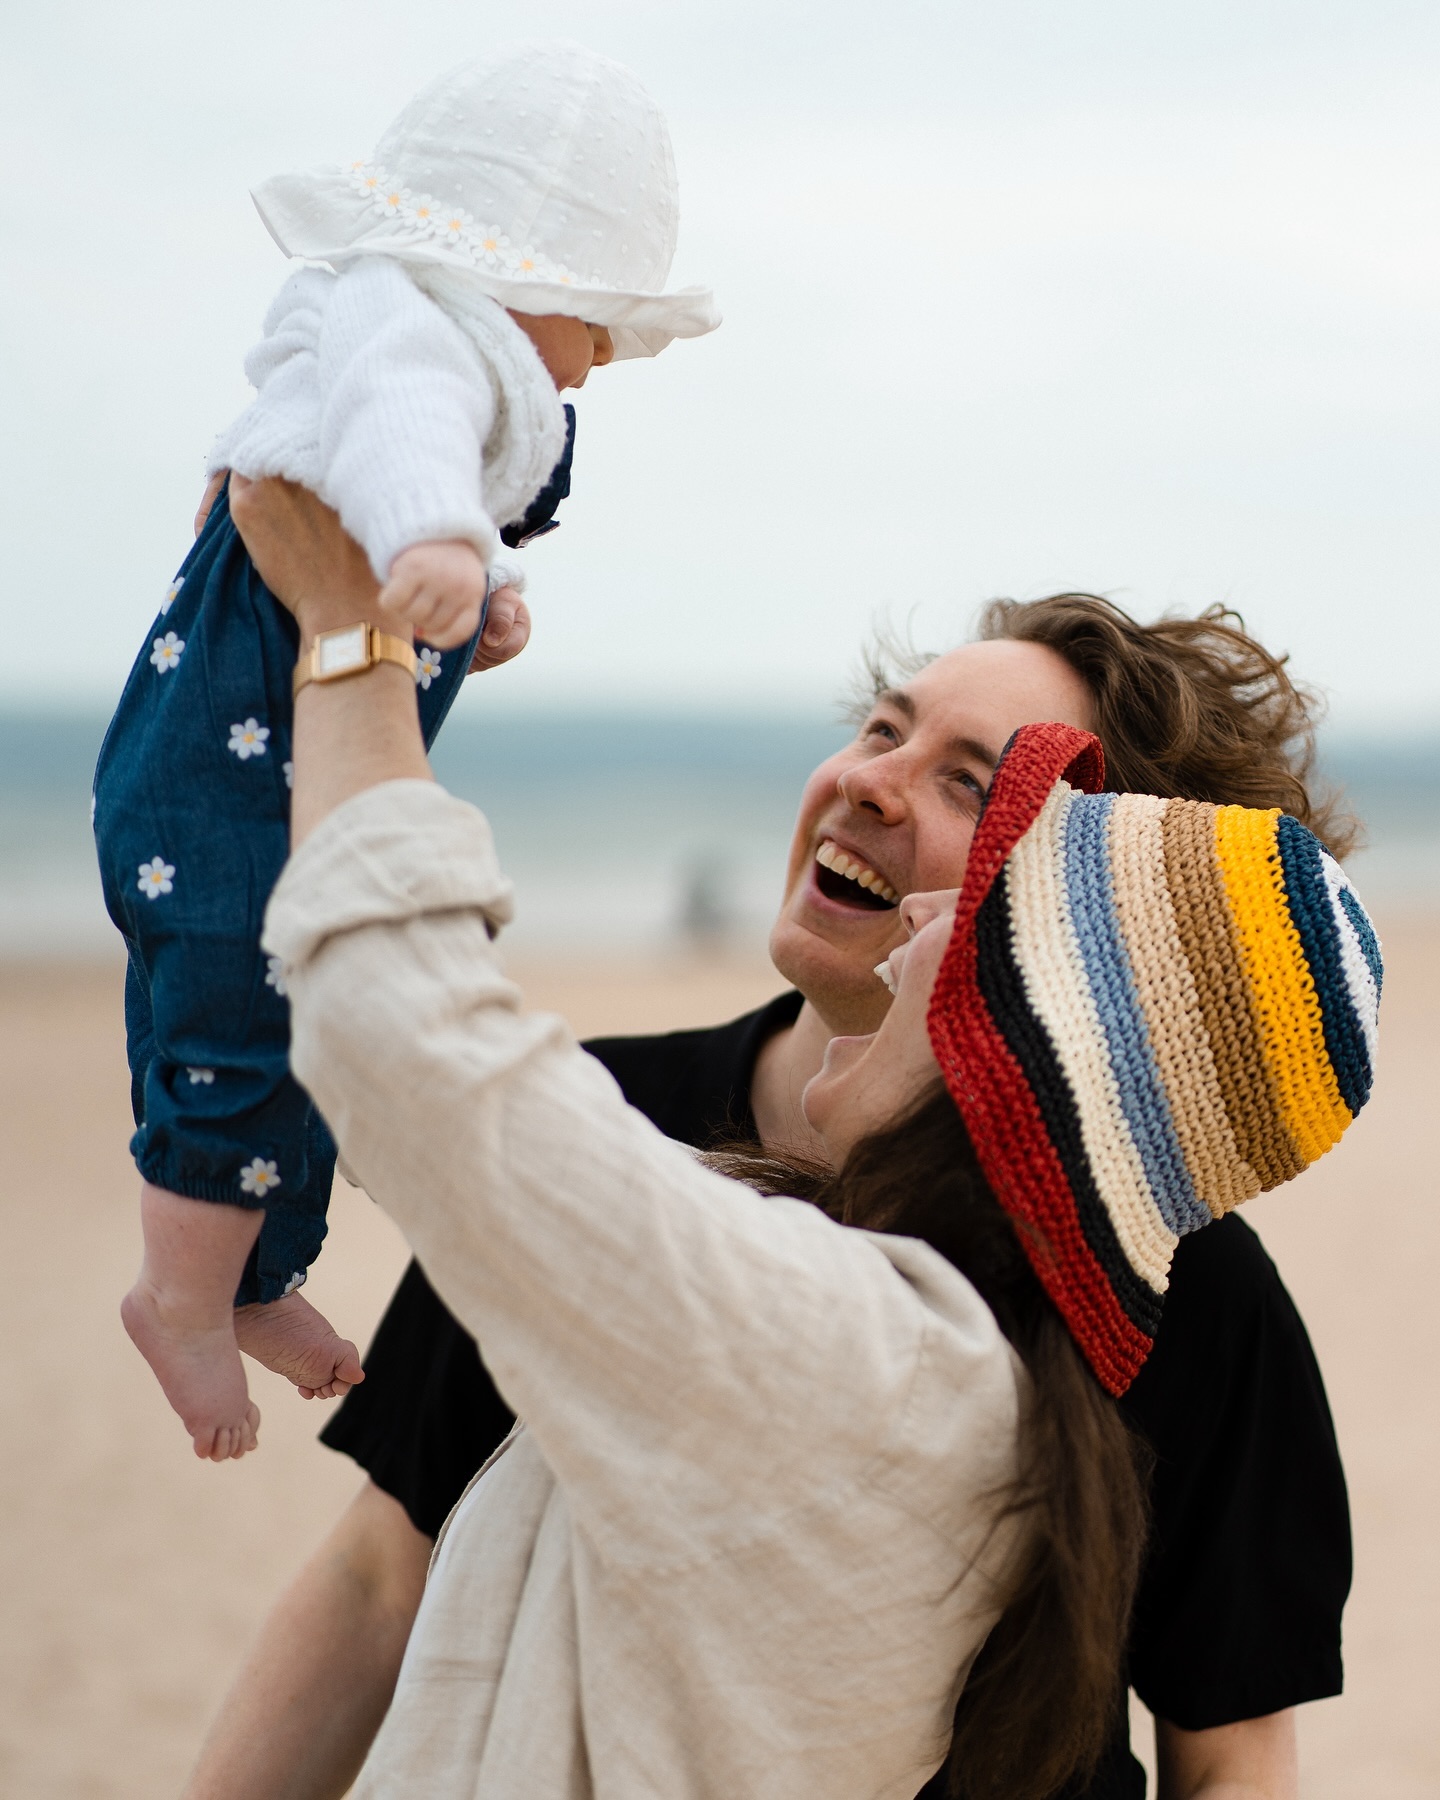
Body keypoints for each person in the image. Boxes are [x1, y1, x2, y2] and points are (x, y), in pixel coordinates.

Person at [182, 498, 1360, 1799]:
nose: (868, 780)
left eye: (971, 785)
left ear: (1054, 991)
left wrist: (353, 636)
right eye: (881, 727)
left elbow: (412, 1044)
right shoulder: (965, 1352)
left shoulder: (864, 1338)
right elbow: (378, 1576)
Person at [91, 42, 720, 1460]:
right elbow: (399, 430)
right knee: (238, 1014)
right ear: (518, 277)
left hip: (261, 731)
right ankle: (180, 1293)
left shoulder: (419, 330)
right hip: (224, 759)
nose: (602, 357)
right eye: (597, 322)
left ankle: (255, 1275)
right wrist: (438, 534)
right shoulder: (413, 328)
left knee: (318, 1008)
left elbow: (376, 473)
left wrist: (475, 586)